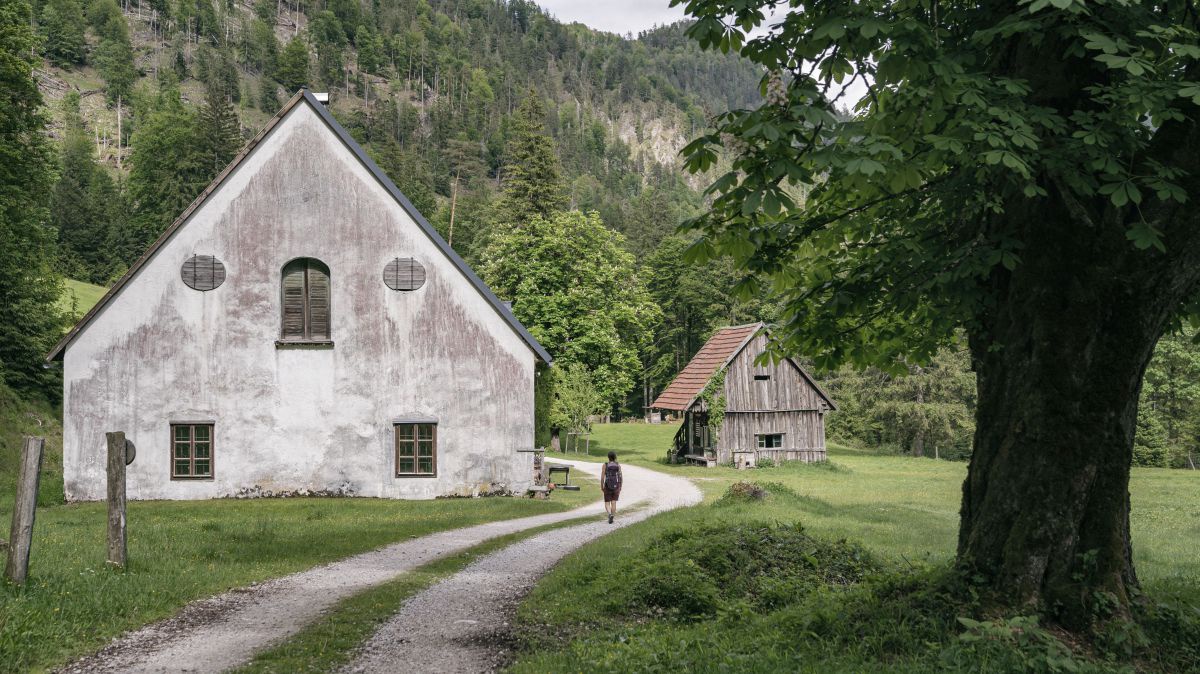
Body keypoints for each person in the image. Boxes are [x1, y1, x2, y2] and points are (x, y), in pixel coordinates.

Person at [602, 451, 622, 524]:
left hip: (607, 485)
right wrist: (620, 486)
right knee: (613, 502)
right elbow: (620, 476)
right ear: (615, 457)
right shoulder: (618, 465)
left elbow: (602, 476)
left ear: (608, 457)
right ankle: (612, 516)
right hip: (616, 485)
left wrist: (602, 486)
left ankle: (610, 514)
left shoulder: (605, 465)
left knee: (607, 502)